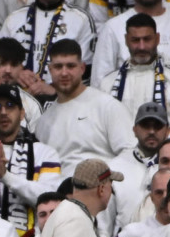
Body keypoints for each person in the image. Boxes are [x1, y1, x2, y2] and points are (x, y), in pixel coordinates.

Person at [0, 84, 62, 237]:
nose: (3, 112)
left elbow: (50, 200)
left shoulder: (44, 152)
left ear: (22, 113)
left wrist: (6, 177)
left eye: (10, 106)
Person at [33, 39, 136, 172]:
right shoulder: (44, 121)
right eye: (58, 67)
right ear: (50, 70)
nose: (64, 73)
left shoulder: (107, 106)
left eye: (71, 66)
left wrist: (103, 179)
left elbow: (130, 153)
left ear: (82, 68)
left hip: (101, 187)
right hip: (58, 189)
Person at [0, 0, 97, 84]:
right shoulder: (13, 19)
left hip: (62, 100)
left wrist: (53, 90)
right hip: (19, 98)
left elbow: (86, 73)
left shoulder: (81, 20)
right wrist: (18, 75)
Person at [96, 13, 170, 126]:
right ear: (126, 40)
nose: (141, 47)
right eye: (135, 40)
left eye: (147, 39)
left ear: (157, 39)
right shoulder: (107, 83)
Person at [107, 103, 170, 229]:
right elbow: (104, 223)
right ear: (134, 130)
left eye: (157, 126)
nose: (151, 131)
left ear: (168, 130)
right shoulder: (114, 167)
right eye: (145, 126)